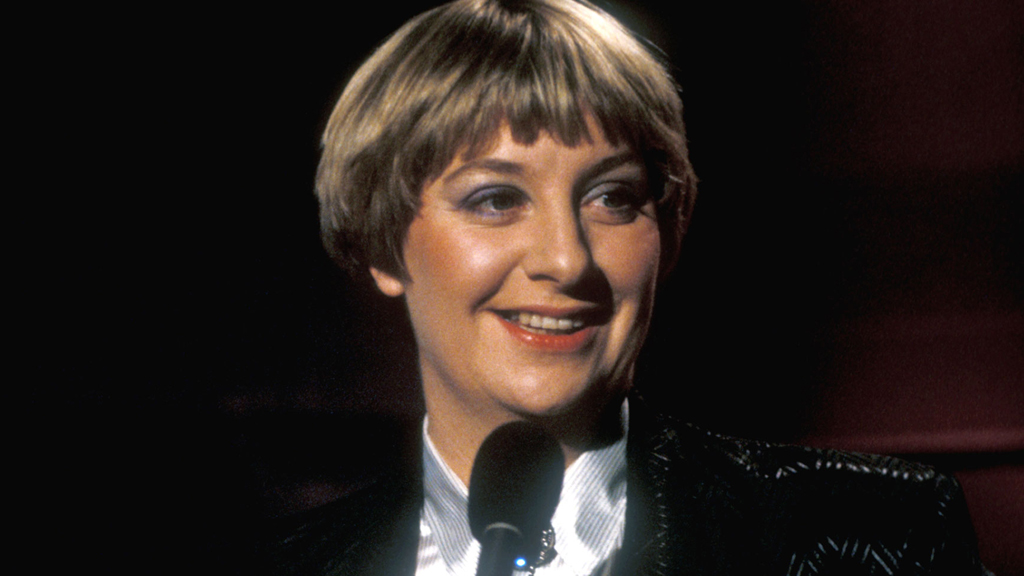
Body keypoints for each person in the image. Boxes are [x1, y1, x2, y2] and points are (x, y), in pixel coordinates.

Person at [269, 0, 987, 574]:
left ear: (669, 231)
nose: (566, 259)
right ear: (382, 242)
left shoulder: (873, 536)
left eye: (612, 198)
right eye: (496, 200)